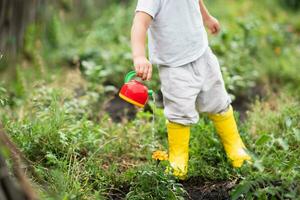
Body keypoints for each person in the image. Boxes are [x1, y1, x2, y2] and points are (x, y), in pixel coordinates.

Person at [131, 0, 251, 179]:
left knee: (218, 99)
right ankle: (178, 158)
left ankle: (234, 145)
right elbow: (140, 22)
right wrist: (139, 56)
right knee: (179, 109)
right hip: (174, 65)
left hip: (202, 53)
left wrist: (207, 17)